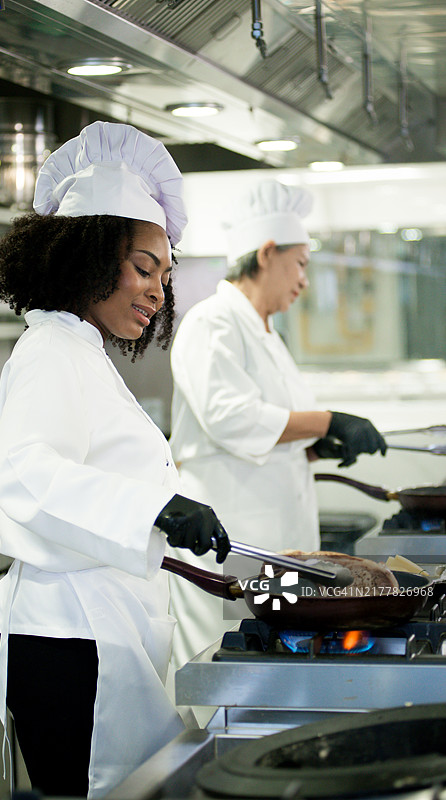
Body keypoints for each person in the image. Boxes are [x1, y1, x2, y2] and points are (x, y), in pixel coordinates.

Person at [0, 120, 230, 800]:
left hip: (99, 632)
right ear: (83, 258)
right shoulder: (50, 353)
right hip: (70, 643)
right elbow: (25, 475)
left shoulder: (79, 352)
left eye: (165, 275)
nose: (156, 291)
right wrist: (157, 507)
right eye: (143, 268)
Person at [167, 179, 387, 672]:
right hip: (228, 538)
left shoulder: (266, 332)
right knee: (220, 664)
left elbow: (271, 431)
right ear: (267, 252)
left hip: (274, 539)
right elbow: (229, 416)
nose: (305, 280)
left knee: (266, 666)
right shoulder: (213, 322)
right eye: (301, 263)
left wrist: (315, 447)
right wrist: (329, 420)